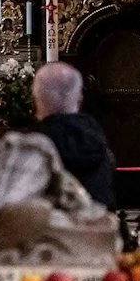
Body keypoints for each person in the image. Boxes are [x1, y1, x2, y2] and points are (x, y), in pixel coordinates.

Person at [33, 61, 116, 209]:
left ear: (37, 98)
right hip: (100, 224)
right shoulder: (94, 133)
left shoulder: (37, 143)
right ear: (79, 98)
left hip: (56, 228)